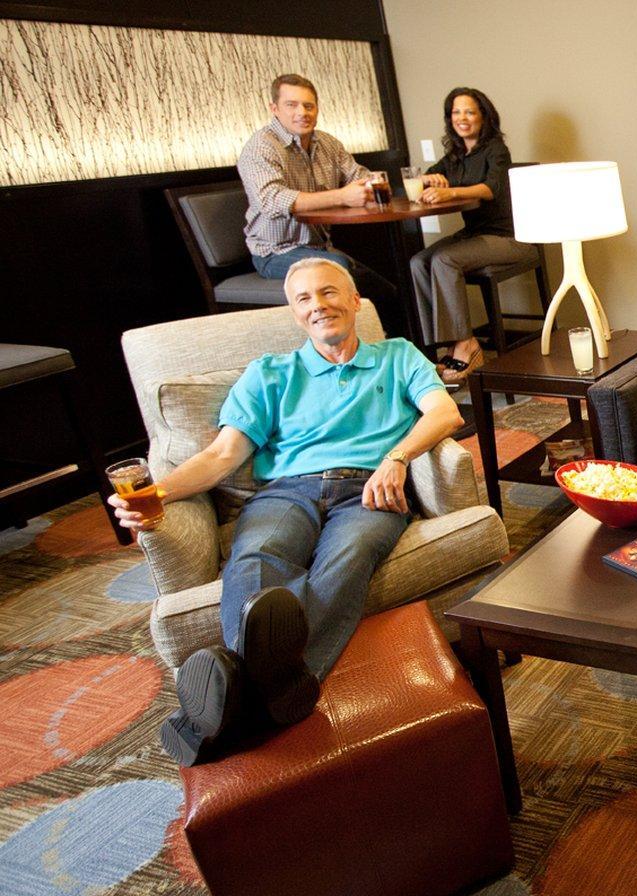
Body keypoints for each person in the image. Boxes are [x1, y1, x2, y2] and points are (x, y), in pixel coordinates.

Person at [109, 258, 464, 766]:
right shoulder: (270, 373)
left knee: (350, 555)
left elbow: (445, 412)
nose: (318, 305)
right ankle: (272, 699)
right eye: (304, 299)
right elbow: (220, 456)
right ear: (294, 313)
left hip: (369, 487)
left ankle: (229, 706)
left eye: (329, 292)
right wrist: (157, 495)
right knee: (255, 556)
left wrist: (396, 457)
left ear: (356, 301)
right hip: (287, 491)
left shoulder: (397, 356)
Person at [236, 73, 403, 329]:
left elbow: (360, 176)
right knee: (339, 271)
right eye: (292, 105)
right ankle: (347, 359)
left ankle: (398, 359)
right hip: (275, 252)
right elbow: (271, 200)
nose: (302, 112)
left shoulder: (327, 143)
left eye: (309, 105)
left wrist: (370, 185)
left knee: (386, 292)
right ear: (274, 109)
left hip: (320, 248)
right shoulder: (261, 147)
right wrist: (342, 196)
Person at [409, 87, 537, 383]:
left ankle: (466, 344)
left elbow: (491, 188)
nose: (462, 118)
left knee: (444, 260)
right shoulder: (454, 156)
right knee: (419, 261)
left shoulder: (496, 149)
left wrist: (449, 190)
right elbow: (424, 177)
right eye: (456, 112)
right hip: (476, 234)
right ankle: (444, 345)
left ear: (483, 116)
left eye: (469, 111)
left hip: (510, 238)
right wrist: (429, 178)